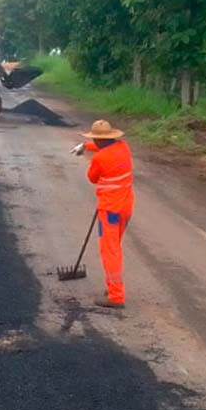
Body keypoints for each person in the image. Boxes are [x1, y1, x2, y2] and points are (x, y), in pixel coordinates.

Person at [71, 119, 134, 308]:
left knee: (109, 251)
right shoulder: (124, 147)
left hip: (110, 210)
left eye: (94, 139)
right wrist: (86, 146)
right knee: (115, 246)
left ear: (98, 140)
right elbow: (105, 146)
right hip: (126, 206)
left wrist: (88, 151)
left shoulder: (100, 158)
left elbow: (92, 178)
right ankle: (113, 287)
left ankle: (116, 296)